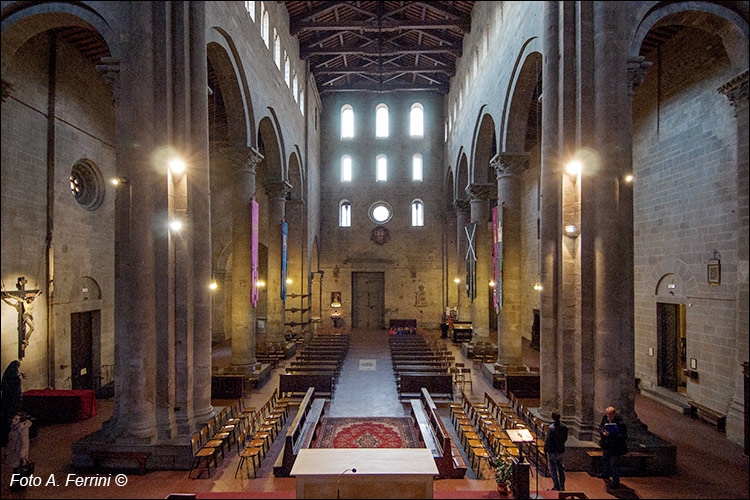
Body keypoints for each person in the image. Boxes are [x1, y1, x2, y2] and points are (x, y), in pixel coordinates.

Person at [599, 406, 628, 489]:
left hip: (615, 447)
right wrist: (602, 432)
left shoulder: (620, 422)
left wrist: (611, 434)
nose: (608, 416)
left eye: (610, 414)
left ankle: (616, 482)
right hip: (607, 445)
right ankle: (605, 474)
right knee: (604, 459)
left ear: (614, 414)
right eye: (607, 414)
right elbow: (601, 427)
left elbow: (623, 435)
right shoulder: (605, 418)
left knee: (614, 464)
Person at [544, 410, 568, 491]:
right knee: (561, 468)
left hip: (553, 451)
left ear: (552, 418)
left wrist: (545, 449)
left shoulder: (551, 428)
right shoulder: (564, 427)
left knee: (553, 469)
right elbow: (565, 438)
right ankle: (562, 486)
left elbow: (548, 440)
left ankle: (556, 486)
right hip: (561, 450)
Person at [1, 360, 23, 446]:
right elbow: (16, 390)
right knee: (11, 418)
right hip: (12, 401)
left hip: (6, 400)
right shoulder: (15, 377)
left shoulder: (6, 376)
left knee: (6, 418)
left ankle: (5, 438)